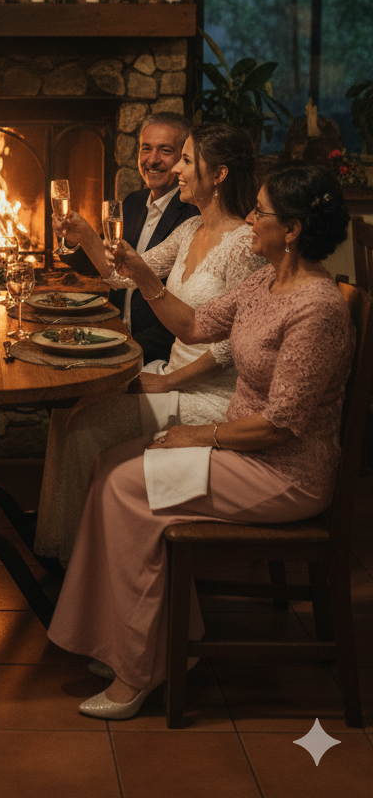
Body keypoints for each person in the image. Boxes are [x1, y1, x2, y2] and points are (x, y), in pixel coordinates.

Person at [47, 163, 353, 720]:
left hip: (284, 472)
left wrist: (198, 435)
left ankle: (139, 670)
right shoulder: (265, 282)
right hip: (243, 449)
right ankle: (161, 643)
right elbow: (192, 326)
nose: (250, 219)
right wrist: (144, 276)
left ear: (291, 230)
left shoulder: (317, 308)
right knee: (109, 464)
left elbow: (280, 424)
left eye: (260, 211)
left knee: (126, 488)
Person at [35, 124, 265, 565]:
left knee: (84, 427)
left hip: (212, 396)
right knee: (71, 408)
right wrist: (86, 235)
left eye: (186, 160)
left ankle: (86, 561)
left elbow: (233, 347)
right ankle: (72, 551)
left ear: (218, 175)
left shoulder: (244, 246)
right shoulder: (191, 228)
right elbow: (124, 277)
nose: (176, 169)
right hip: (173, 376)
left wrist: (168, 383)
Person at [62, 112, 199, 364]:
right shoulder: (133, 202)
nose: (152, 160)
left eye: (165, 150)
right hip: (114, 330)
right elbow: (101, 265)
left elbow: (185, 313)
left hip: (154, 351)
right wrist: (74, 239)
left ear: (183, 159)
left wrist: (122, 349)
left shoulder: (192, 216)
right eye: (146, 148)